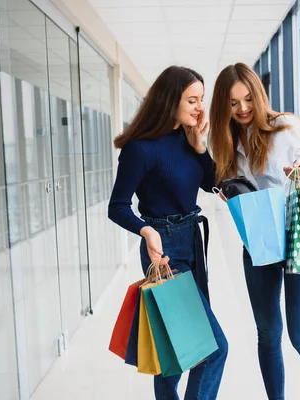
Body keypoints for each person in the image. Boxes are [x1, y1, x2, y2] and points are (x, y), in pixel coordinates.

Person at [209, 63, 300, 400]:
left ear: (258, 95)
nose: (242, 109)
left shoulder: (285, 126)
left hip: (298, 235)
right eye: (232, 103)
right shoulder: (225, 141)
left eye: (247, 99)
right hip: (259, 239)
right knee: (268, 335)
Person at [108, 66, 227, 400]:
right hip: (164, 248)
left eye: (201, 99)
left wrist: (201, 147)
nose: (199, 107)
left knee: (173, 355)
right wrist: (145, 230)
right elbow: (117, 206)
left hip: (191, 240)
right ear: (170, 100)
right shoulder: (140, 148)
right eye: (192, 99)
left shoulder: (189, 139)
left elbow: (213, 184)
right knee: (213, 349)